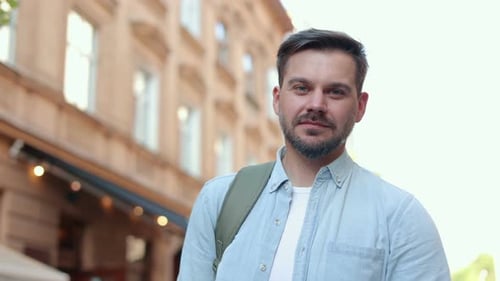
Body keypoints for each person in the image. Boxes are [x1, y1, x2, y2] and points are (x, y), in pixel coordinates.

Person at [177, 28, 450, 281]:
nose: (316, 104)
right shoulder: (218, 200)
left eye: (335, 92)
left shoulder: (400, 217)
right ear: (277, 99)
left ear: (360, 106)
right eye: (301, 88)